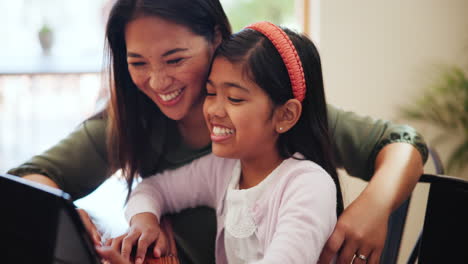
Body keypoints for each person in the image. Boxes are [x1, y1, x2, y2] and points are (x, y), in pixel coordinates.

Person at [7, 0, 427, 263]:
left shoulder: (280, 126)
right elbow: (29, 179)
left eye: (174, 59)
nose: (157, 81)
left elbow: (403, 143)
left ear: (217, 39)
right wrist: (88, 221)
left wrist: (373, 207)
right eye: (138, 63)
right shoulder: (159, 138)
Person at [117, 21, 343, 264]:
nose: (213, 110)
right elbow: (153, 189)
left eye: (234, 98)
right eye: (211, 93)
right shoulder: (223, 169)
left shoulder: (308, 186)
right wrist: (145, 223)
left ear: (286, 115)